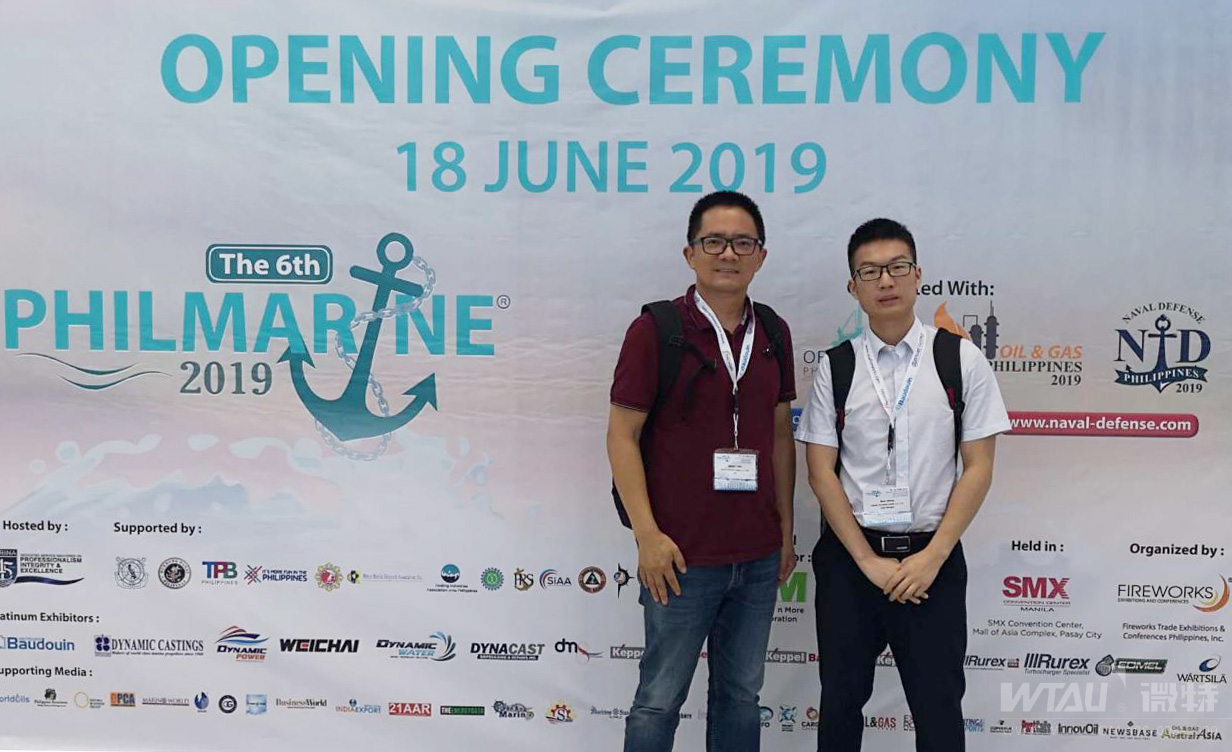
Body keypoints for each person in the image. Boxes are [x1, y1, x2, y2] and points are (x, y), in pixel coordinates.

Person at [795, 218, 1011, 751]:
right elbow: (821, 472)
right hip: (851, 563)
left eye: (897, 267)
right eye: (869, 272)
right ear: (853, 286)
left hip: (932, 560)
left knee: (938, 709)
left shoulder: (960, 358)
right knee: (840, 704)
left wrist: (933, 557)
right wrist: (866, 561)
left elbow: (978, 466)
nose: (885, 281)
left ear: (918, 276)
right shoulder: (836, 367)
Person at [608, 190, 797, 751]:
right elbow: (622, 436)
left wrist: (785, 533)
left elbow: (780, 435)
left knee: (741, 698)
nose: (728, 254)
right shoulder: (656, 330)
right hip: (679, 557)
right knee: (658, 700)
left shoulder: (774, 332)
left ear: (761, 256)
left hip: (757, 557)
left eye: (742, 242)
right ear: (690, 253)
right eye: (713, 242)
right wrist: (647, 536)